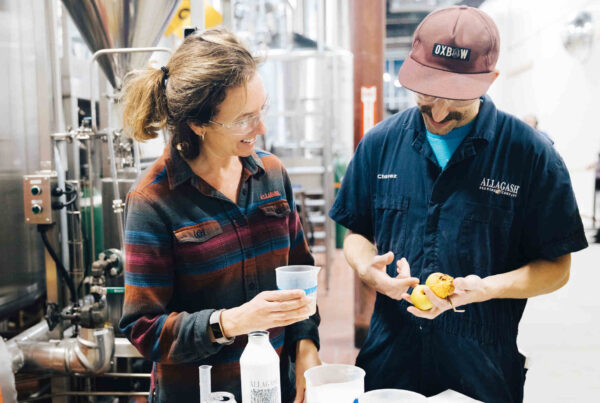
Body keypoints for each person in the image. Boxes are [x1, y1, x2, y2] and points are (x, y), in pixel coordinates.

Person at [329, 6, 587, 403]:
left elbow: (557, 267)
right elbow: (357, 232)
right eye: (427, 96)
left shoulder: (530, 156)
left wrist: (487, 289)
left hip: (483, 365)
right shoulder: (380, 145)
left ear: (490, 81)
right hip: (390, 357)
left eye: (456, 100)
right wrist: (368, 269)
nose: (439, 113)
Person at [119, 27, 320, 402]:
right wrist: (231, 322)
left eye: (261, 111)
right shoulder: (153, 200)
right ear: (198, 124)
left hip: (274, 389)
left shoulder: (272, 175)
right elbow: (143, 329)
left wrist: (307, 347)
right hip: (200, 393)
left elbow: (299, 276)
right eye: (244, 119)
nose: (260, 128)